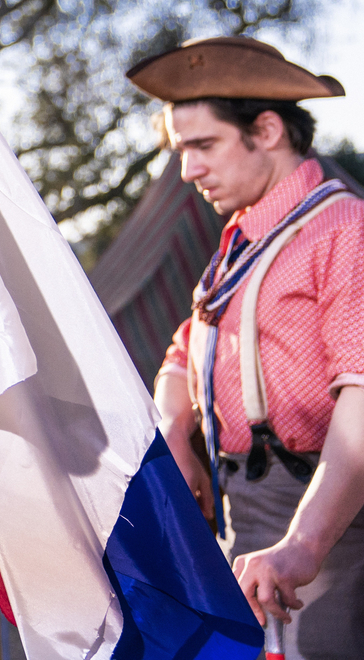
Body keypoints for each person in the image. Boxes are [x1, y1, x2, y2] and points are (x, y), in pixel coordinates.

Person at [131, 36, 364, 659]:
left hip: (328, 523)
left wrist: (306, 545)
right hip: (245, 520)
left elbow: (363, 403)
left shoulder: (343, 230)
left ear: (266, 130)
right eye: (182, 152)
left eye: (203, 146)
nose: (188, 171)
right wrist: (176, 432)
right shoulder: (242, 240)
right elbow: (182, 354)